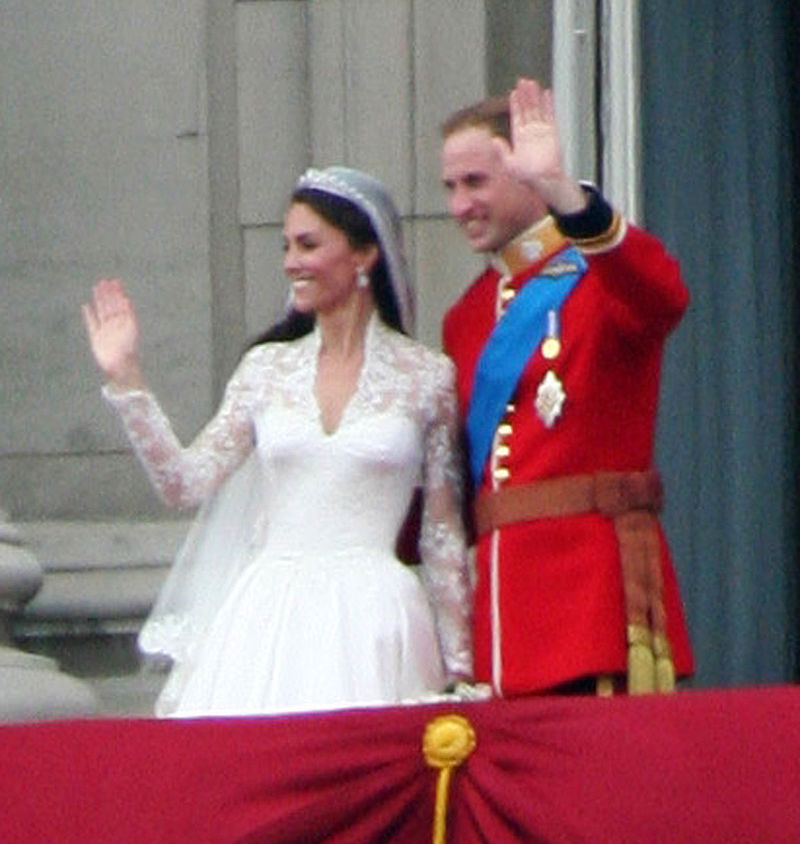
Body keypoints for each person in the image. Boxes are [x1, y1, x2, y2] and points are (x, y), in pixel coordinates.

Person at [82, 166, 473, 717]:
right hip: (270, 617)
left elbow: (440, 533)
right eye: (286, 246)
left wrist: (461, 669)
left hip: (377, 618)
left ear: (364, 255)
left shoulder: (426, 377)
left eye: (309, 244)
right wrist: (127, 378)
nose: (291, 262)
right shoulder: (265, 369)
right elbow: (184, 482)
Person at [439, 77, 694, 697]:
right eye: (450, 187)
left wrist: (564, 193)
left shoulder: (600, 280)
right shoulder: (468, 316)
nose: (459, 206)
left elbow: (663, 293)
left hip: (590, 610)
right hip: (500, 618)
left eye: (476, 182)